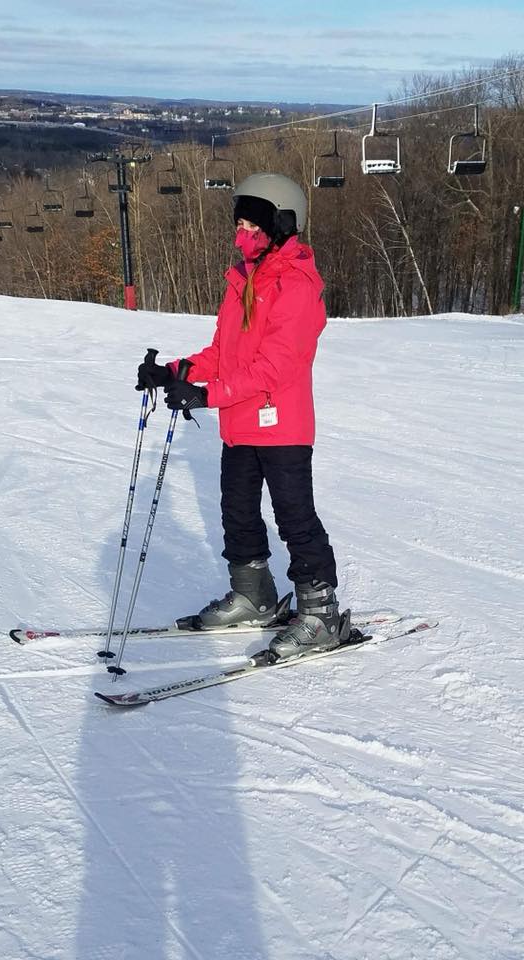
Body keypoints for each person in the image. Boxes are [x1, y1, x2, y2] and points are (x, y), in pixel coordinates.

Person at [137, 173, 343, 660]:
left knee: (294, 518)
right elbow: (224, 352)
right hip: (240, 424)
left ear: (282, 224)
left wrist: (207, 397)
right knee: (238, 513)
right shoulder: (242, 280)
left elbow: (277, 366)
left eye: (252, 224)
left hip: (282, 425)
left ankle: (321, 612)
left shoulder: (297, 284)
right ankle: (255, 596)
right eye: (240, 224)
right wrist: (173, 372)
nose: (241, 235)